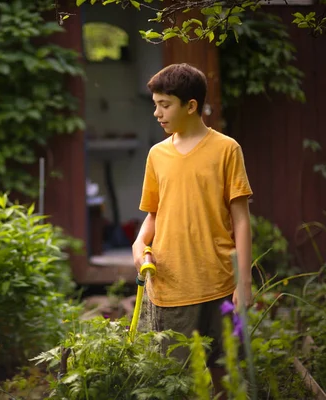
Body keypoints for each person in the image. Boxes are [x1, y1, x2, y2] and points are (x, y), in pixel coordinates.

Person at [132, 63, 253, 398]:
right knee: (177, 378)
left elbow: (241, 218)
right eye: (154, 104)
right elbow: (154, 215)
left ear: (191, 106)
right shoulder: (157, 155)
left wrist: (243, 281)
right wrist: (140, 242)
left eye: (164, 104)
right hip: (171, 284)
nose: (157, 112)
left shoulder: (227, 149)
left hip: (218, 281)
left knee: (224, 374)